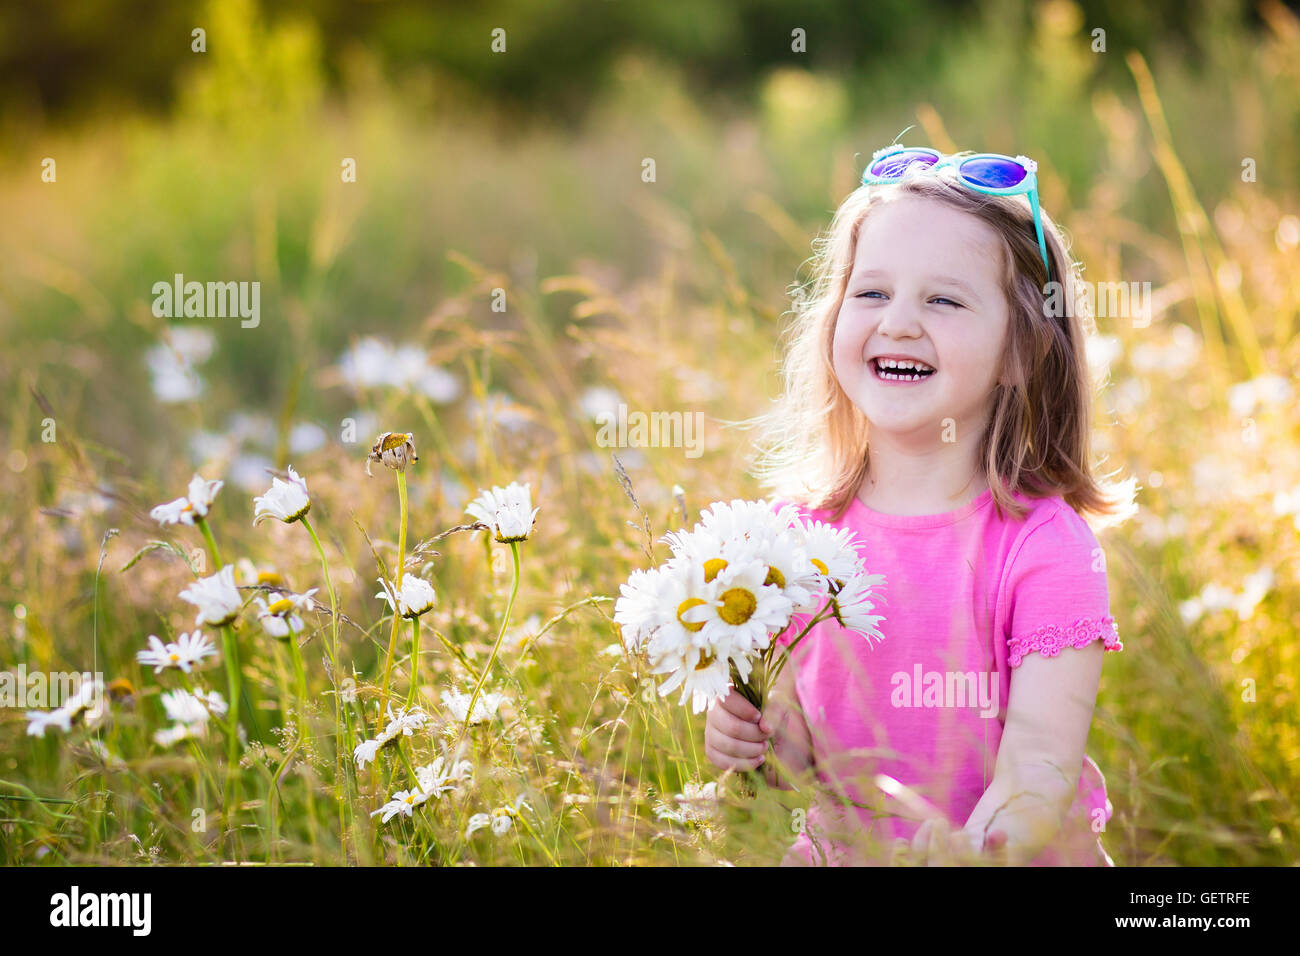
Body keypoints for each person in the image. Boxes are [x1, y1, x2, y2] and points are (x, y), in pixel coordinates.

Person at [705, 146, 1138, 866]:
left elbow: (1039, 765)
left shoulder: (1043, 548)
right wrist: (747, 737)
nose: (898, 323)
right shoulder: (791, 538)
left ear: (1020, 353)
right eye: (871, 293)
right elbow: (792, 759)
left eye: (943, 299)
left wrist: (976, 849)